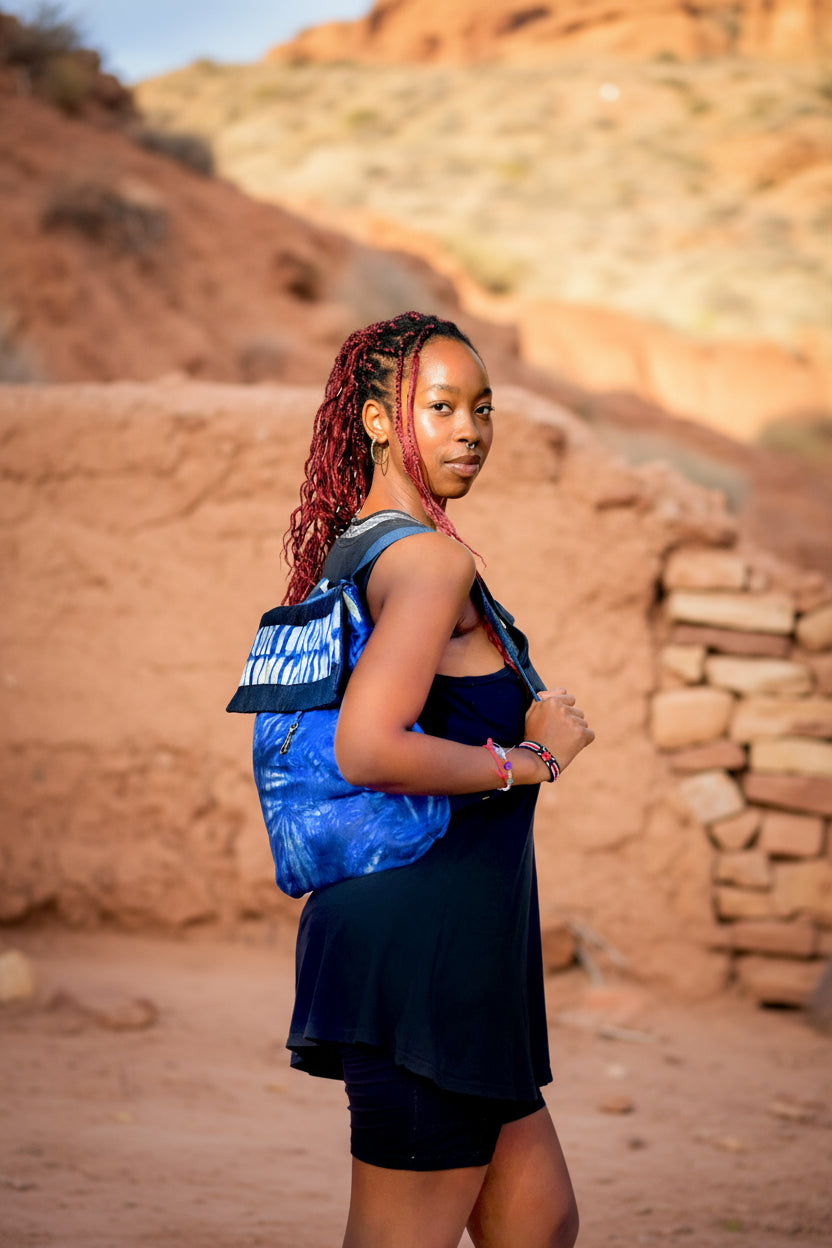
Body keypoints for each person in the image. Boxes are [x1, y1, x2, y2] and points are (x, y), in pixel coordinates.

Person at [280, 310, 594, 1248]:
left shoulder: (369, 545)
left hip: (456, 956)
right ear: (379, 420)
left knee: (539, 1224)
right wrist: (531, 760)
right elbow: (366, 748)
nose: (471, 430)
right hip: (425, 957)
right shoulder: (427, 561)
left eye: (484, 408)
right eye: (442, 406)